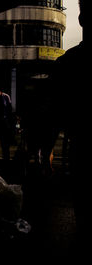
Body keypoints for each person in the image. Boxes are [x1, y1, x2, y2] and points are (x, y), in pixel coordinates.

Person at [47, 0, 91, 256]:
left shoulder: (68, 64)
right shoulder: (67, 65)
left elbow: (56, 112)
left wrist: (49, 148)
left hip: (82, 153)